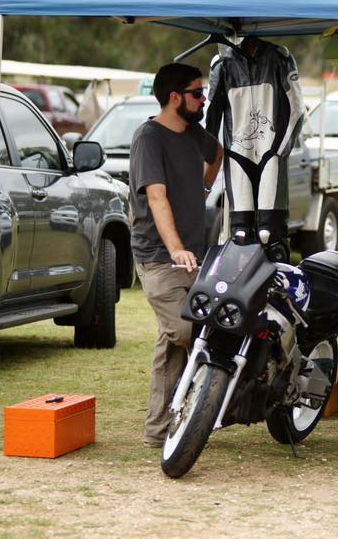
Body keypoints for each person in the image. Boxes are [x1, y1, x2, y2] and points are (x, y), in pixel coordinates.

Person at [130, 63, 223, 448]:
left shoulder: (194, 133)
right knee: (186, 331)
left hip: (193, 257)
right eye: (197, 93)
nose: (203, 100)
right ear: (174, 98)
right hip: (159, 258)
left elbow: (216, 153)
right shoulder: (148, 138)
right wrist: (176, 249)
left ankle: (159, 430)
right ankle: (197, 412)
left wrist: (203, 185)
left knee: (172, 344)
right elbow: (156, 197)